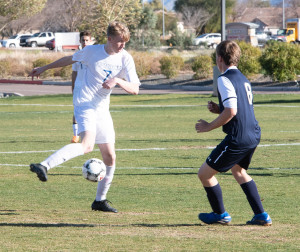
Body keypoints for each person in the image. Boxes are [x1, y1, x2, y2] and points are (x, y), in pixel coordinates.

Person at [29, 22, 140, 213]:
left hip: (102, 108)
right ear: (109, 39)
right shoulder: (91, 52)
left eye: (125, 42)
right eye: (120, 42)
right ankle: (44, 165)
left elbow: (135, 89)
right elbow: (68, 59)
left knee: (110, 156)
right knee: (87, 145)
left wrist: (119, 80)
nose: (123, 45)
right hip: (84, 102)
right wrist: (44, 68)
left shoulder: (125, 59)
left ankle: (99, 201)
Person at [195, 40, 272, 226]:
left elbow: (232, 111)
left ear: (220, 58)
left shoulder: (223, 79)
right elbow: (237, 107)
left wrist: (208, 126)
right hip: (253, 134)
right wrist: (218, 109)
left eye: (216, 58)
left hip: (238, 137)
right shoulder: (243, 78)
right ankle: (261, 215)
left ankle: (220, 214)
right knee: (239, 171)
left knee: (204, 174)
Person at [71, 31, 93, 143]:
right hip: (80, 88)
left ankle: (92, 133)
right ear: (80, 41)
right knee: (76, 110)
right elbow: (74, 72)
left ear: (91, 41)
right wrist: (73, 87)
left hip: (92, 89)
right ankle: (75, 135)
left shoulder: (95, 54)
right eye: (83, 40)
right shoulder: (77, 56)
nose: (85, 42)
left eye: (87, 40)